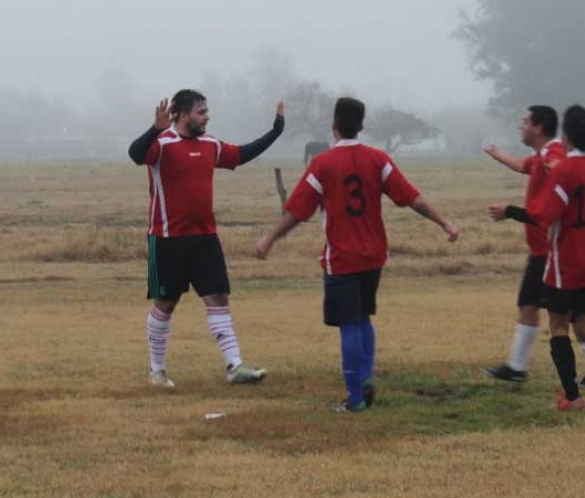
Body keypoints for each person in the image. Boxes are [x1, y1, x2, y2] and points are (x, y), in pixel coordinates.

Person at [255, 97, 459, 413]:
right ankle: (364, 379)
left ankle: (355, 398)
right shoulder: (378, 159)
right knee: (363, 316)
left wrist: (269, 239)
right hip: (375, 255)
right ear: (361, 126)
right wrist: (444, 222)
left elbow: (297, 212)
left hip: (342, 257)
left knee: (349, 323)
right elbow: (412, 199)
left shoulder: (322, 164)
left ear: (333, 126)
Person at [128, 89, 285, 389]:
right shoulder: (162, 144)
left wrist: (275, 131)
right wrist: (154, 129)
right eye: (201, 111)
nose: (207, 116)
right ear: (183, 114)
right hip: (167, 240)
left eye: (206, 110)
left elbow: (242, 154)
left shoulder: (210, 144)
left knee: (218, 297)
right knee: (166, 303)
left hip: (205, 239)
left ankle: (235, 366)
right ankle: (157, 371)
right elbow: (135, 155)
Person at [489, 105, 585, 411]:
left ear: (567, 136)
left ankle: (572, 398)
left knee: (559, 326)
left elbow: (543, 217)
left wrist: (510, 211)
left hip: (566, 263)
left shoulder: (563, 171)